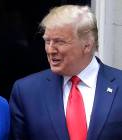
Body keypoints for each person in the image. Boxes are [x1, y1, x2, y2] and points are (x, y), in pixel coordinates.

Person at [9, 5, 122, 140]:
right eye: (47, 41)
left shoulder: (119, 85)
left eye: (59, 42)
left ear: (87, 45)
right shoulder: (26, 92)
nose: (50, 50)